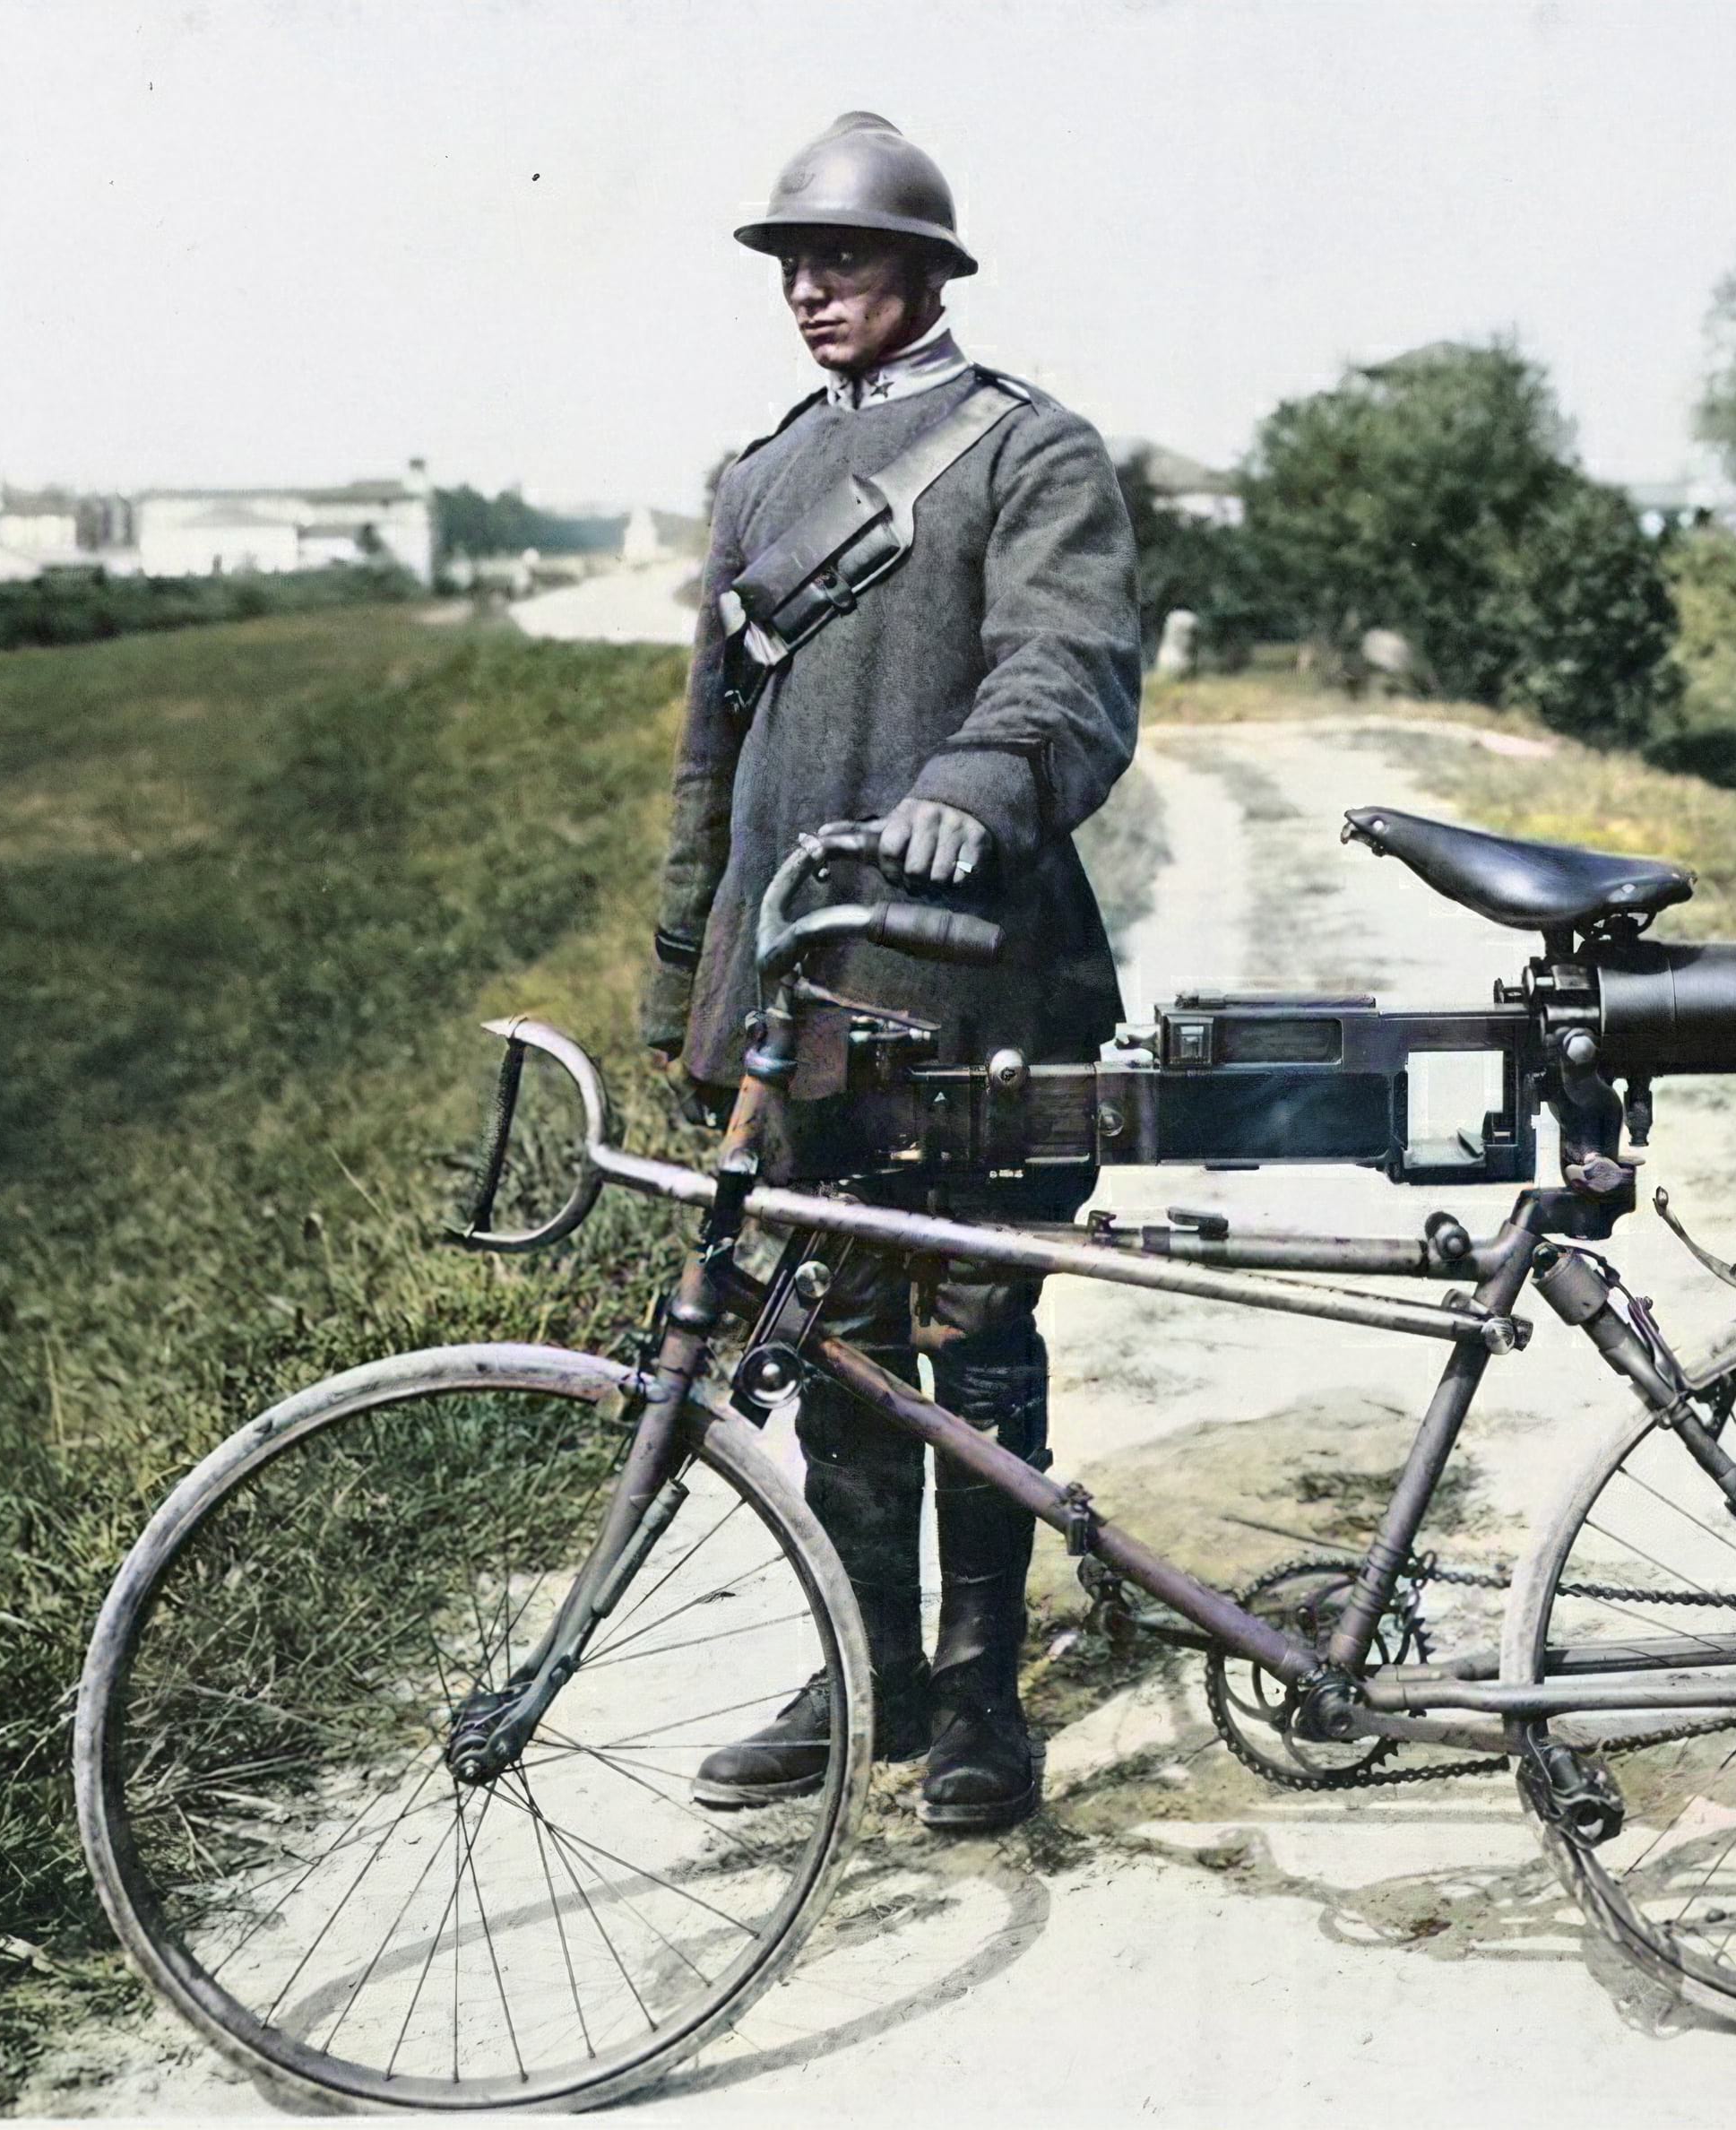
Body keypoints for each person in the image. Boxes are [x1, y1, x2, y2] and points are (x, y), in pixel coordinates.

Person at [641, 112, 1141, 1831]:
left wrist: (972, 786)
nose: (810, 290)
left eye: (842, 259)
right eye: (792, 264)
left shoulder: (1030, 452)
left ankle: (986, 1691)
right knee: (835, 1330)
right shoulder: (760, 480)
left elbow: (1068, 666)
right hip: (799, 991)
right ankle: (872, 1671)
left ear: (929, 271)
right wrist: (684, 985)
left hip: (975, 982)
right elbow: (710, 756)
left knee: (977, 1330)